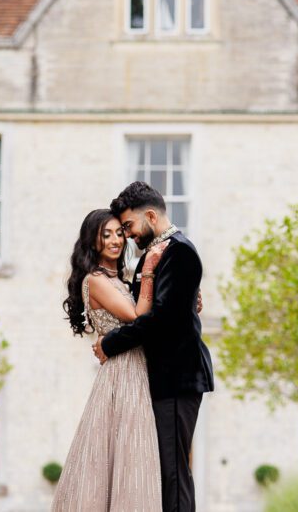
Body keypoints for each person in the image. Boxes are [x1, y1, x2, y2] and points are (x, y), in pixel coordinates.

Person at [94, 181, 215, 512]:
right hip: (159, 376)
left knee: (172, 471)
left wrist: (111, 341)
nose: (128, 235)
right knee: (158, 471)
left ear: (150, 215)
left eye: (130, 226)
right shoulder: (155, 254)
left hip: (177, 376)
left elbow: (161, 319)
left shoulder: (180, 252)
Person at [52, 208, 168, 511]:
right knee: (127, 453)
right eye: (107, 235)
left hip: (136, 370)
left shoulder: (121, 279)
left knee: (133, 456)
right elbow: (135, 316)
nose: (116, 240)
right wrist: (152, 268)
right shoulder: (96, 280)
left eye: (119, 233)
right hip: (123, 375)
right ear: (93, 241)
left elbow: (149, 315)